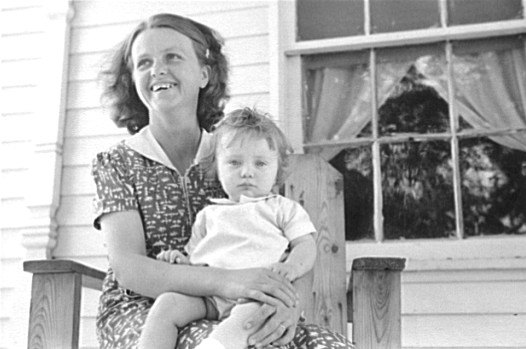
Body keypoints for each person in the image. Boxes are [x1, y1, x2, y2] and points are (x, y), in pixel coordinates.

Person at [92, 12, 352, 349]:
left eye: (172, 56)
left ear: (204, 73)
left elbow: (285, 243)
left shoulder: (235, 156)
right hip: (145, 309)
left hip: (242, 303)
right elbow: (129, 267)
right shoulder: (117, 162)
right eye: (143, 63)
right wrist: (230, 282)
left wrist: (289, 303)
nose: (157, 69)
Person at [139, 107, 318, 349]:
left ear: (277, 170)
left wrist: (292, 267)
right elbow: (194, 262)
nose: (247, 172)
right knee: (166, 304)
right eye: (234, 162)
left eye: (261, 163)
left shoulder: (282, 208)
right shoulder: (209, 215)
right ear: (218, 167)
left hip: (258, 294)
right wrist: (179, 260)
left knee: (248, 318)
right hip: (209, 297)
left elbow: (306, 244)